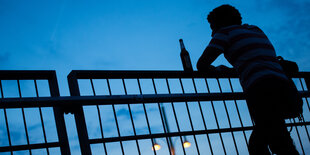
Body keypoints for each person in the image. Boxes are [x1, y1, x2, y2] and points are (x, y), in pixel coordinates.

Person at [197, 4, 300, 155]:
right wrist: (236, 69)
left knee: (264, 145)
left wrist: (219, 69)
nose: (212, 32)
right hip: (283, 86)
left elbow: (202, 64)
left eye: (212, 27)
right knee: (276, 140)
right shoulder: (255, 30)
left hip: (260, 89)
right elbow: (256, 59)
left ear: (220, 22)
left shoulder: (224, 33)